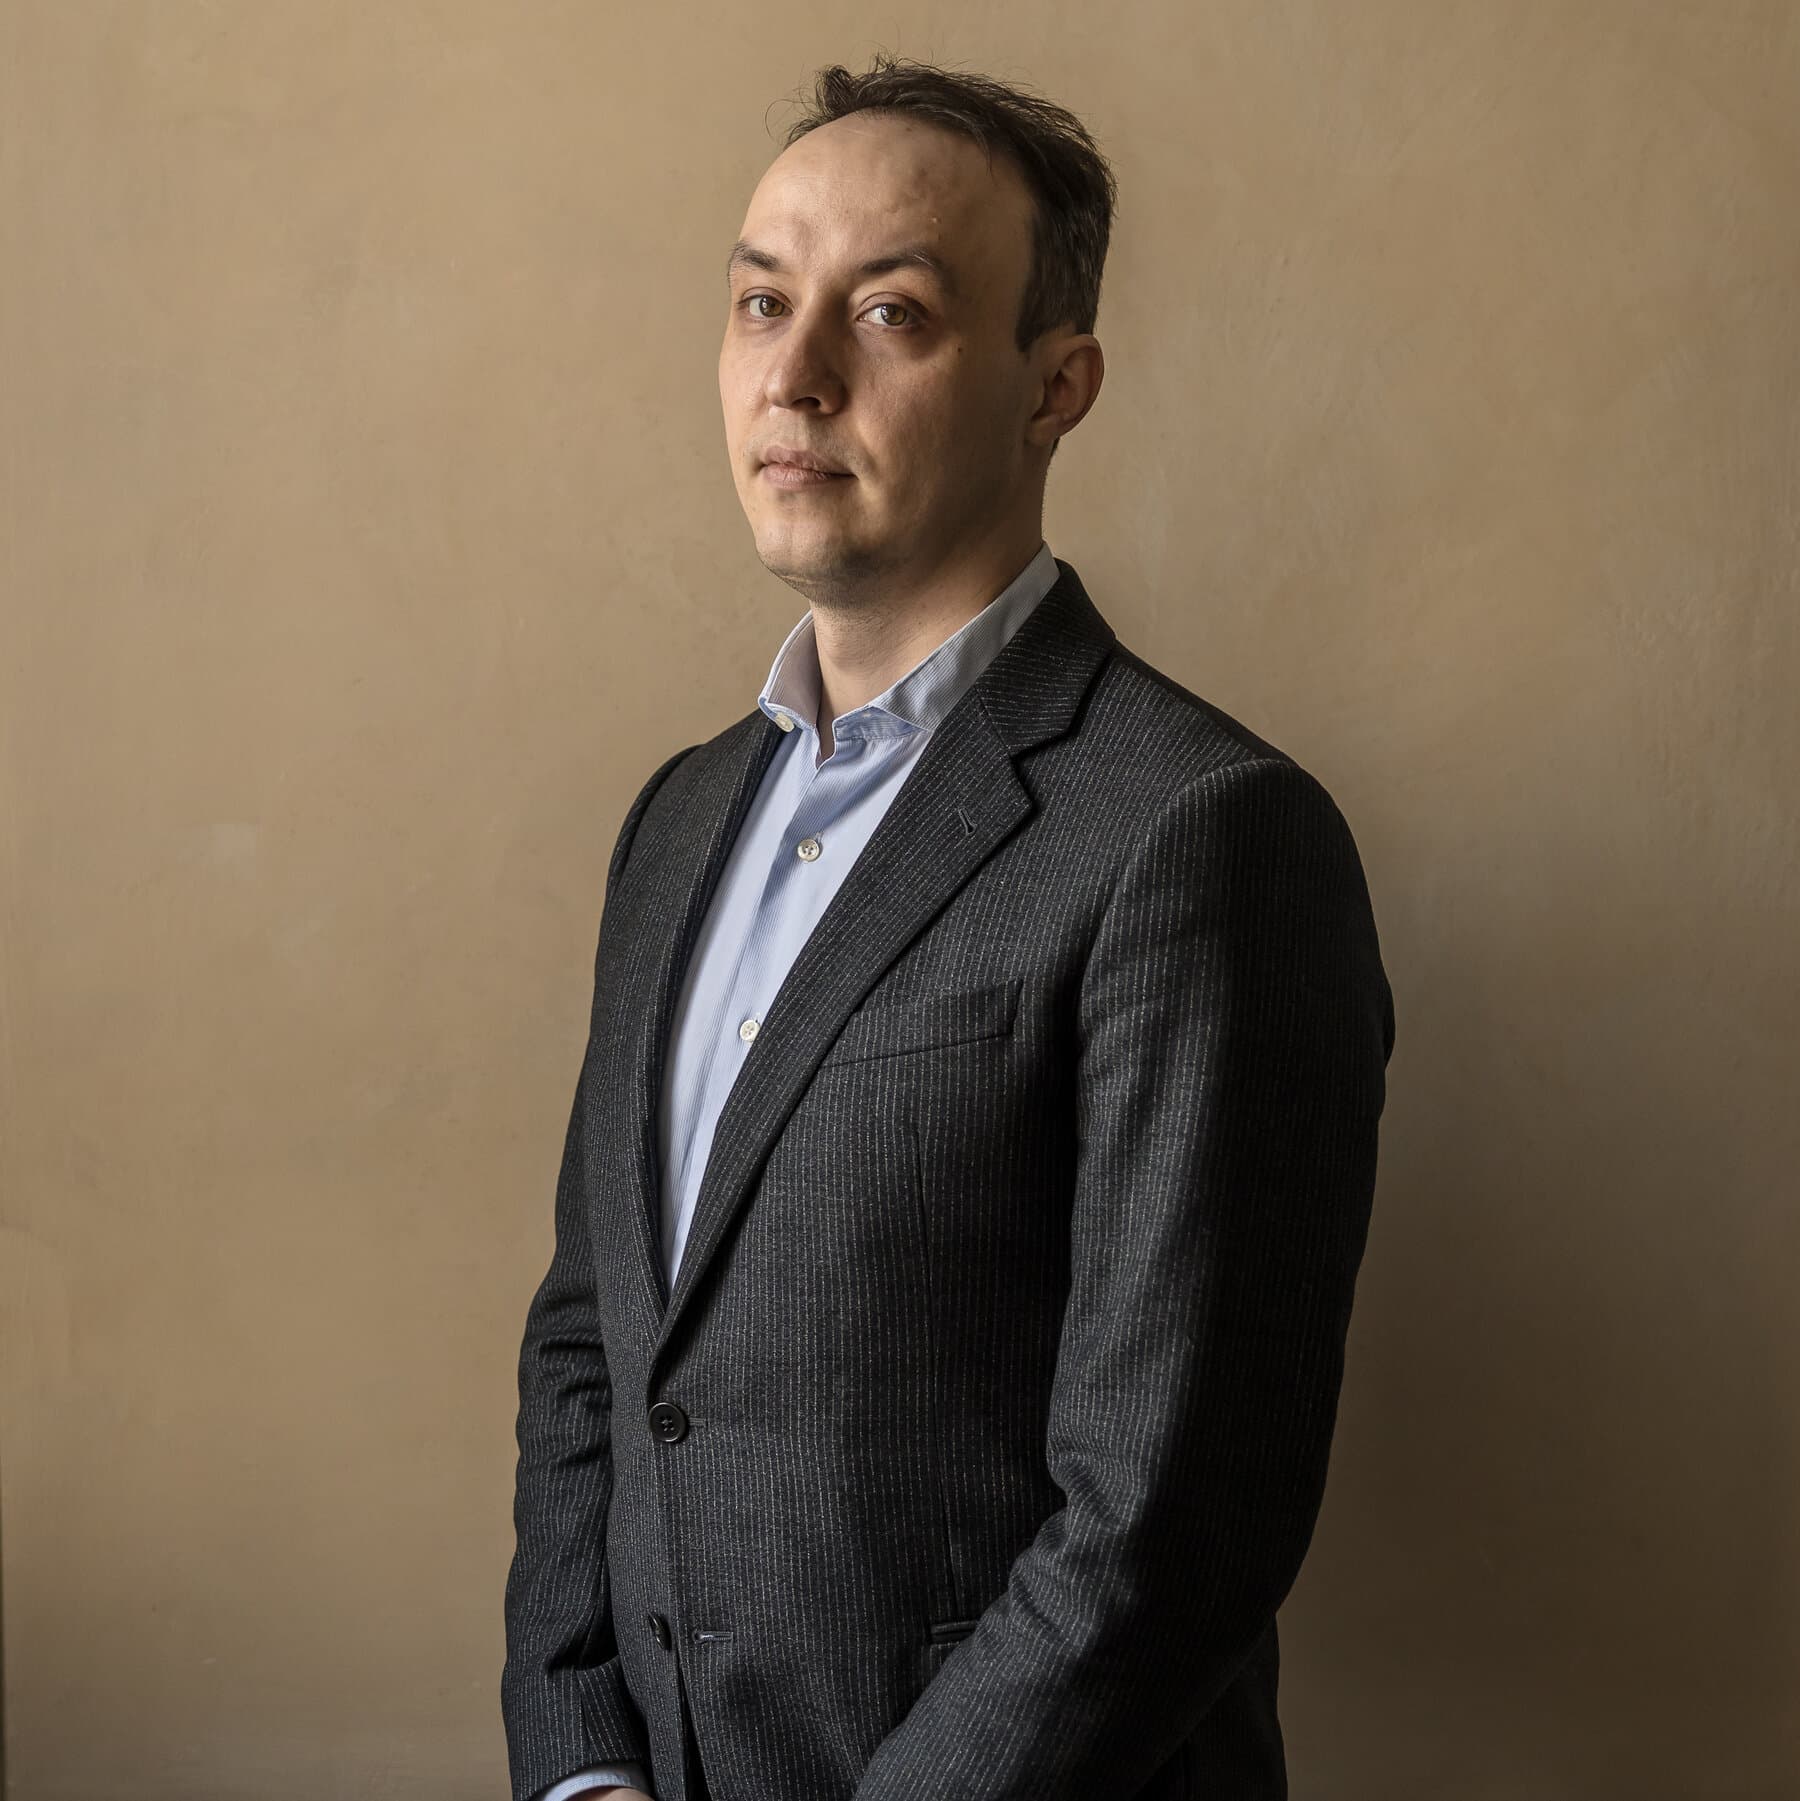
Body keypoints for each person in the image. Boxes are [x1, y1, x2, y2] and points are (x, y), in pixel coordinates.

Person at [501, 52, 1394, 1801]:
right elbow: (593, 1346)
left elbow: (1167, 1530)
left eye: (890, 312)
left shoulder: (1201, 832)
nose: (796, 369)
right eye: (762, 299)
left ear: (1055, 384)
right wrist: (580, 1760)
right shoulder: (677, 821)